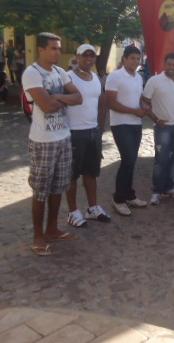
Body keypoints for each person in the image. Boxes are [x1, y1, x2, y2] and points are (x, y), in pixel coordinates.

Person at [22, 32, 82, 256]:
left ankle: (52, 229)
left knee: (58, 187)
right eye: (54, 48)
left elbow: (79, 98)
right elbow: (46, 107)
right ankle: (38, 236)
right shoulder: (32, 73)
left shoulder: (60, 72)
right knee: (41, 190)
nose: (58, 52)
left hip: (63, 137)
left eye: (59, 48)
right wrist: (63, 99)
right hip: (43, 141)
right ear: (41, 49)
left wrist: (56, 97)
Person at [65, 44, 111, 228]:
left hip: (93, 132)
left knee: (91, 172)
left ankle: (93, 208)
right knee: (71, 174)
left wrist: (101, 126)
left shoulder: (96, 79)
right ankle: (73, 212)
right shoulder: (68, 77)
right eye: (85, 55)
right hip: (74, 132)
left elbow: (102, 102)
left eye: (92, 56)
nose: (89, 59)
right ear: (77, 57)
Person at [106, 46, 149, 216]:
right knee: (128, 159)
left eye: (138, 59)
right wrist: (134, 111)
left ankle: (130, 196)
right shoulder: (115, 76)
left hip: (135, 124)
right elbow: (110, 102)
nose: (135, 62)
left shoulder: (138, 77)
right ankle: (118, 199)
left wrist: (143, 105)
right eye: (132, 58)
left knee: (131, 161)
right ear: (124, 59)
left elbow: (139, 98)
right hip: (120, 124)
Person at [142, 53, 174, 206]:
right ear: (165, 64)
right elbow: (144, 103)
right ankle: (157, 191)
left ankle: (169, 187)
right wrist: (156, 120)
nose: (171, 67)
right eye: (169, 64)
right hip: (163, 128)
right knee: (161, 160)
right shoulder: (154, 81)